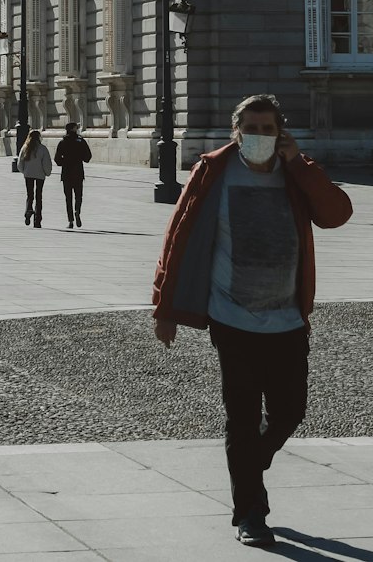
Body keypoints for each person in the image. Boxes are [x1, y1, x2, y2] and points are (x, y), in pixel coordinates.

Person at [152, 94, 354, 550]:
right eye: (251, 128)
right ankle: (251, 511)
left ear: (280, 132)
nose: (259, 137)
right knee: (241, 419)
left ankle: (250, 463)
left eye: (268, 129)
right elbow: (178, 237)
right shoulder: (214, 171)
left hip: (286, 317)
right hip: (231, 318)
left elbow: (337, 214)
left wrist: (299, 164)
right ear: (236, 131)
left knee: (290, 411)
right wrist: (165, 308)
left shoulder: (296, 173)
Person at [54, 121, 92, 229]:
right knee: (78, 195)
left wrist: (64, 162)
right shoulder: (81, 141)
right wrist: (81, 158)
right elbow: (88, 157)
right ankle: (77, 211)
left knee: (68, 198)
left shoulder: (63, 142)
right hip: (78, 172)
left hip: (66, 173)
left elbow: (57, 159)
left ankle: (70, 220)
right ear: (74, 129)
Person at [16, 128, 52, 228]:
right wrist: (47, 173)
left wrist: (24, 171)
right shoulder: (42, 148)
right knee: (39, 196)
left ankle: (28, 210)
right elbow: (46, 164)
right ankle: (37, 220)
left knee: (30, 195)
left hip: (28, 175)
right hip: (40, 175)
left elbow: (19, 163)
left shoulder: (25, 147)